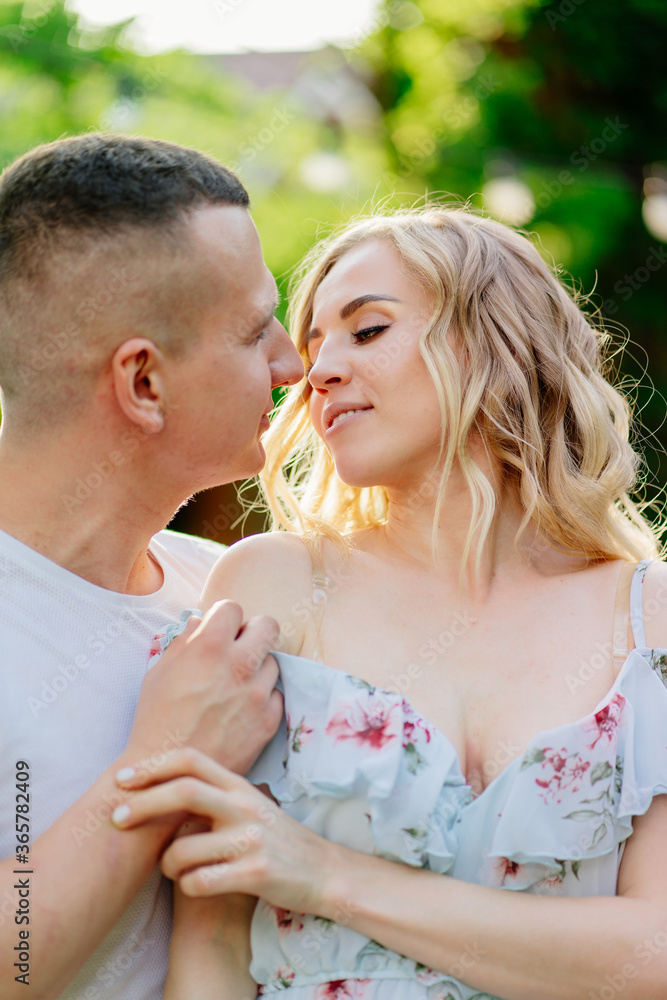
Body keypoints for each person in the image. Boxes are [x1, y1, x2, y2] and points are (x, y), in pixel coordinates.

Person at [113, 207, 667, 1000]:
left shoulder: (646, 616)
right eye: (313, 348)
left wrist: (329, 877)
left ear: (495, 343)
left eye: (365, 331)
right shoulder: (273, 588)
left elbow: (653, 953)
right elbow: (212, 948)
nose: (319, 371)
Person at [0, 132, 304, 999]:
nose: (292, 363)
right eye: (254, 332)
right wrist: (166, 757)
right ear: (143, 383)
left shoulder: (229, 588)